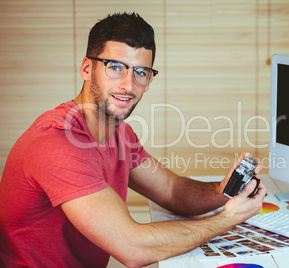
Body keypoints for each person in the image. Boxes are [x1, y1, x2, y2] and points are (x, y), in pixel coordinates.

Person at [0, 12, 267, 268]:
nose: (129, 85)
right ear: (86, 68)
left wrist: (225, 189)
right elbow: (132, 248)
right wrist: (228, 219)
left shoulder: (120, 134)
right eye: (115, 67)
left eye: (141, 72)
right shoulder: (57, 142)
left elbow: (172, 190)